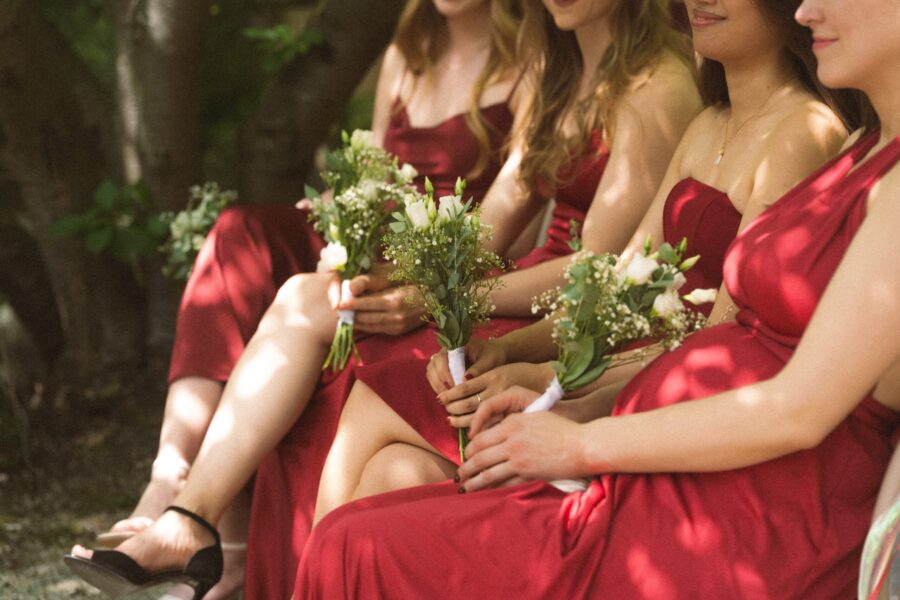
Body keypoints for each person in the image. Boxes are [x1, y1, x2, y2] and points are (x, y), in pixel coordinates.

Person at [66, 0, 704, 597]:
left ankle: (200, 529)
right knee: (313, 296)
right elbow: (492, 223)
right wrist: (391, 267)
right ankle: (190, 517)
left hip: (551, 320)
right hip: (506, 291)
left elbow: (596, 273)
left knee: (344, 355)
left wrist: (436, 301)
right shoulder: (564, 69)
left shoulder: (654, 87)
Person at [294, 0, 900, 596]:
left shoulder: (813, 136)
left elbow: (775, 385)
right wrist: (519, 361)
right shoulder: (848, 149)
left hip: (728, 490)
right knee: (386, 480)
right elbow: (625, 278)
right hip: (648, 418)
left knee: (352, 534)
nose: (808, 11)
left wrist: (573, 419)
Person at [96, 0, 527, 598]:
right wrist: (339, 222)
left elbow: (505, 231)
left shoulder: (533, 58)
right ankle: (168, 481)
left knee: (301, 297)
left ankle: (210, 536)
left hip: (442, 262)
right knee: (238, 234)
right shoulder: (409, 51)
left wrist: (403, 275)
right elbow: (371, 171)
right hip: (377, 245)